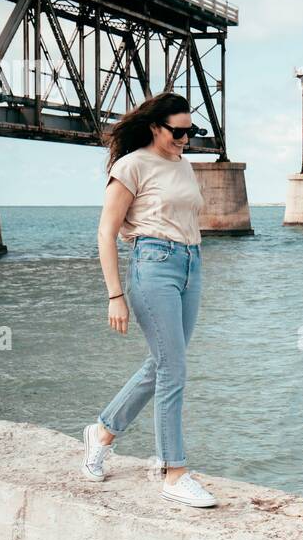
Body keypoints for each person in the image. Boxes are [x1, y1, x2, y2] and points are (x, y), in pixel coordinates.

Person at [82, 91, 217, 508]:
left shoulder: (183, 165)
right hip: (153, 264)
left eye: (190, 131)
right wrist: (115, 295)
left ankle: (103, 432)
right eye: (178, 132)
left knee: (162, 363)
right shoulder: (131, 165)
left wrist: (190, 258)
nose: (184, 138)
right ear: (156, 127)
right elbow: (107, 232)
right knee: (173, 368)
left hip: (190, 265)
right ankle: (173, 473)